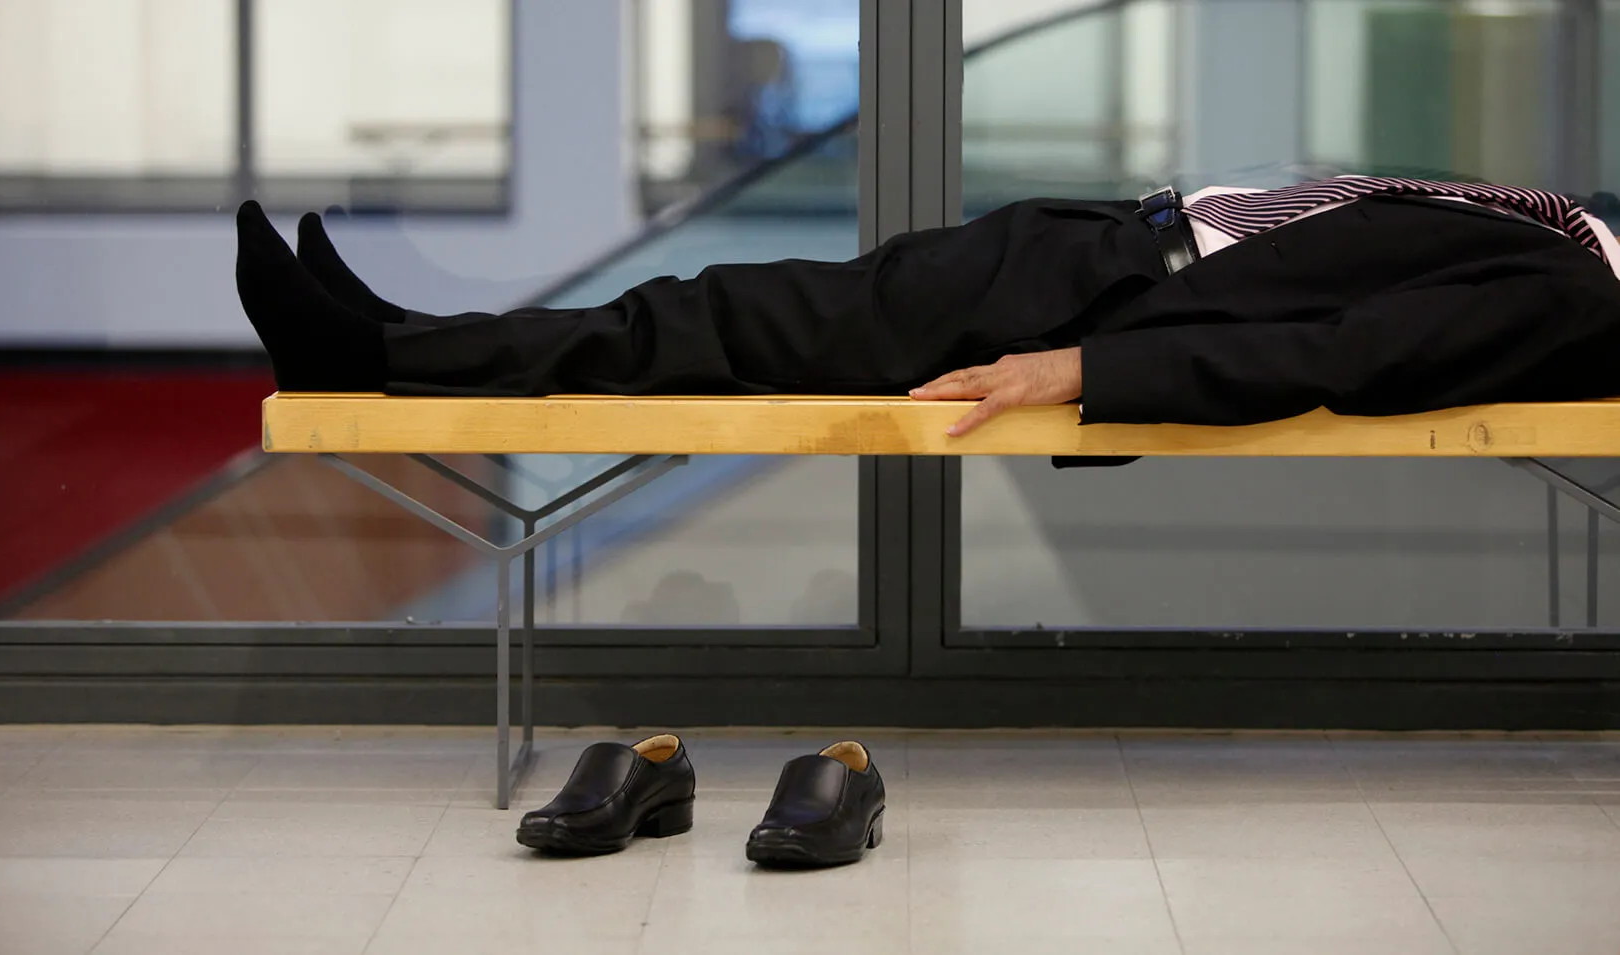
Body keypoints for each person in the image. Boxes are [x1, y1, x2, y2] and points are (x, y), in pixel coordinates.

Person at [235, 177, 1620, 438]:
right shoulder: (1572, 235)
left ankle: (373, 351)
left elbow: (1353, 350)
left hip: (1110, 300)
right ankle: (396, 337)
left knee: (715, 323)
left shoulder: (1568, 284)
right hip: (1103, 246)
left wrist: (1082, 371)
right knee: (724, 308)